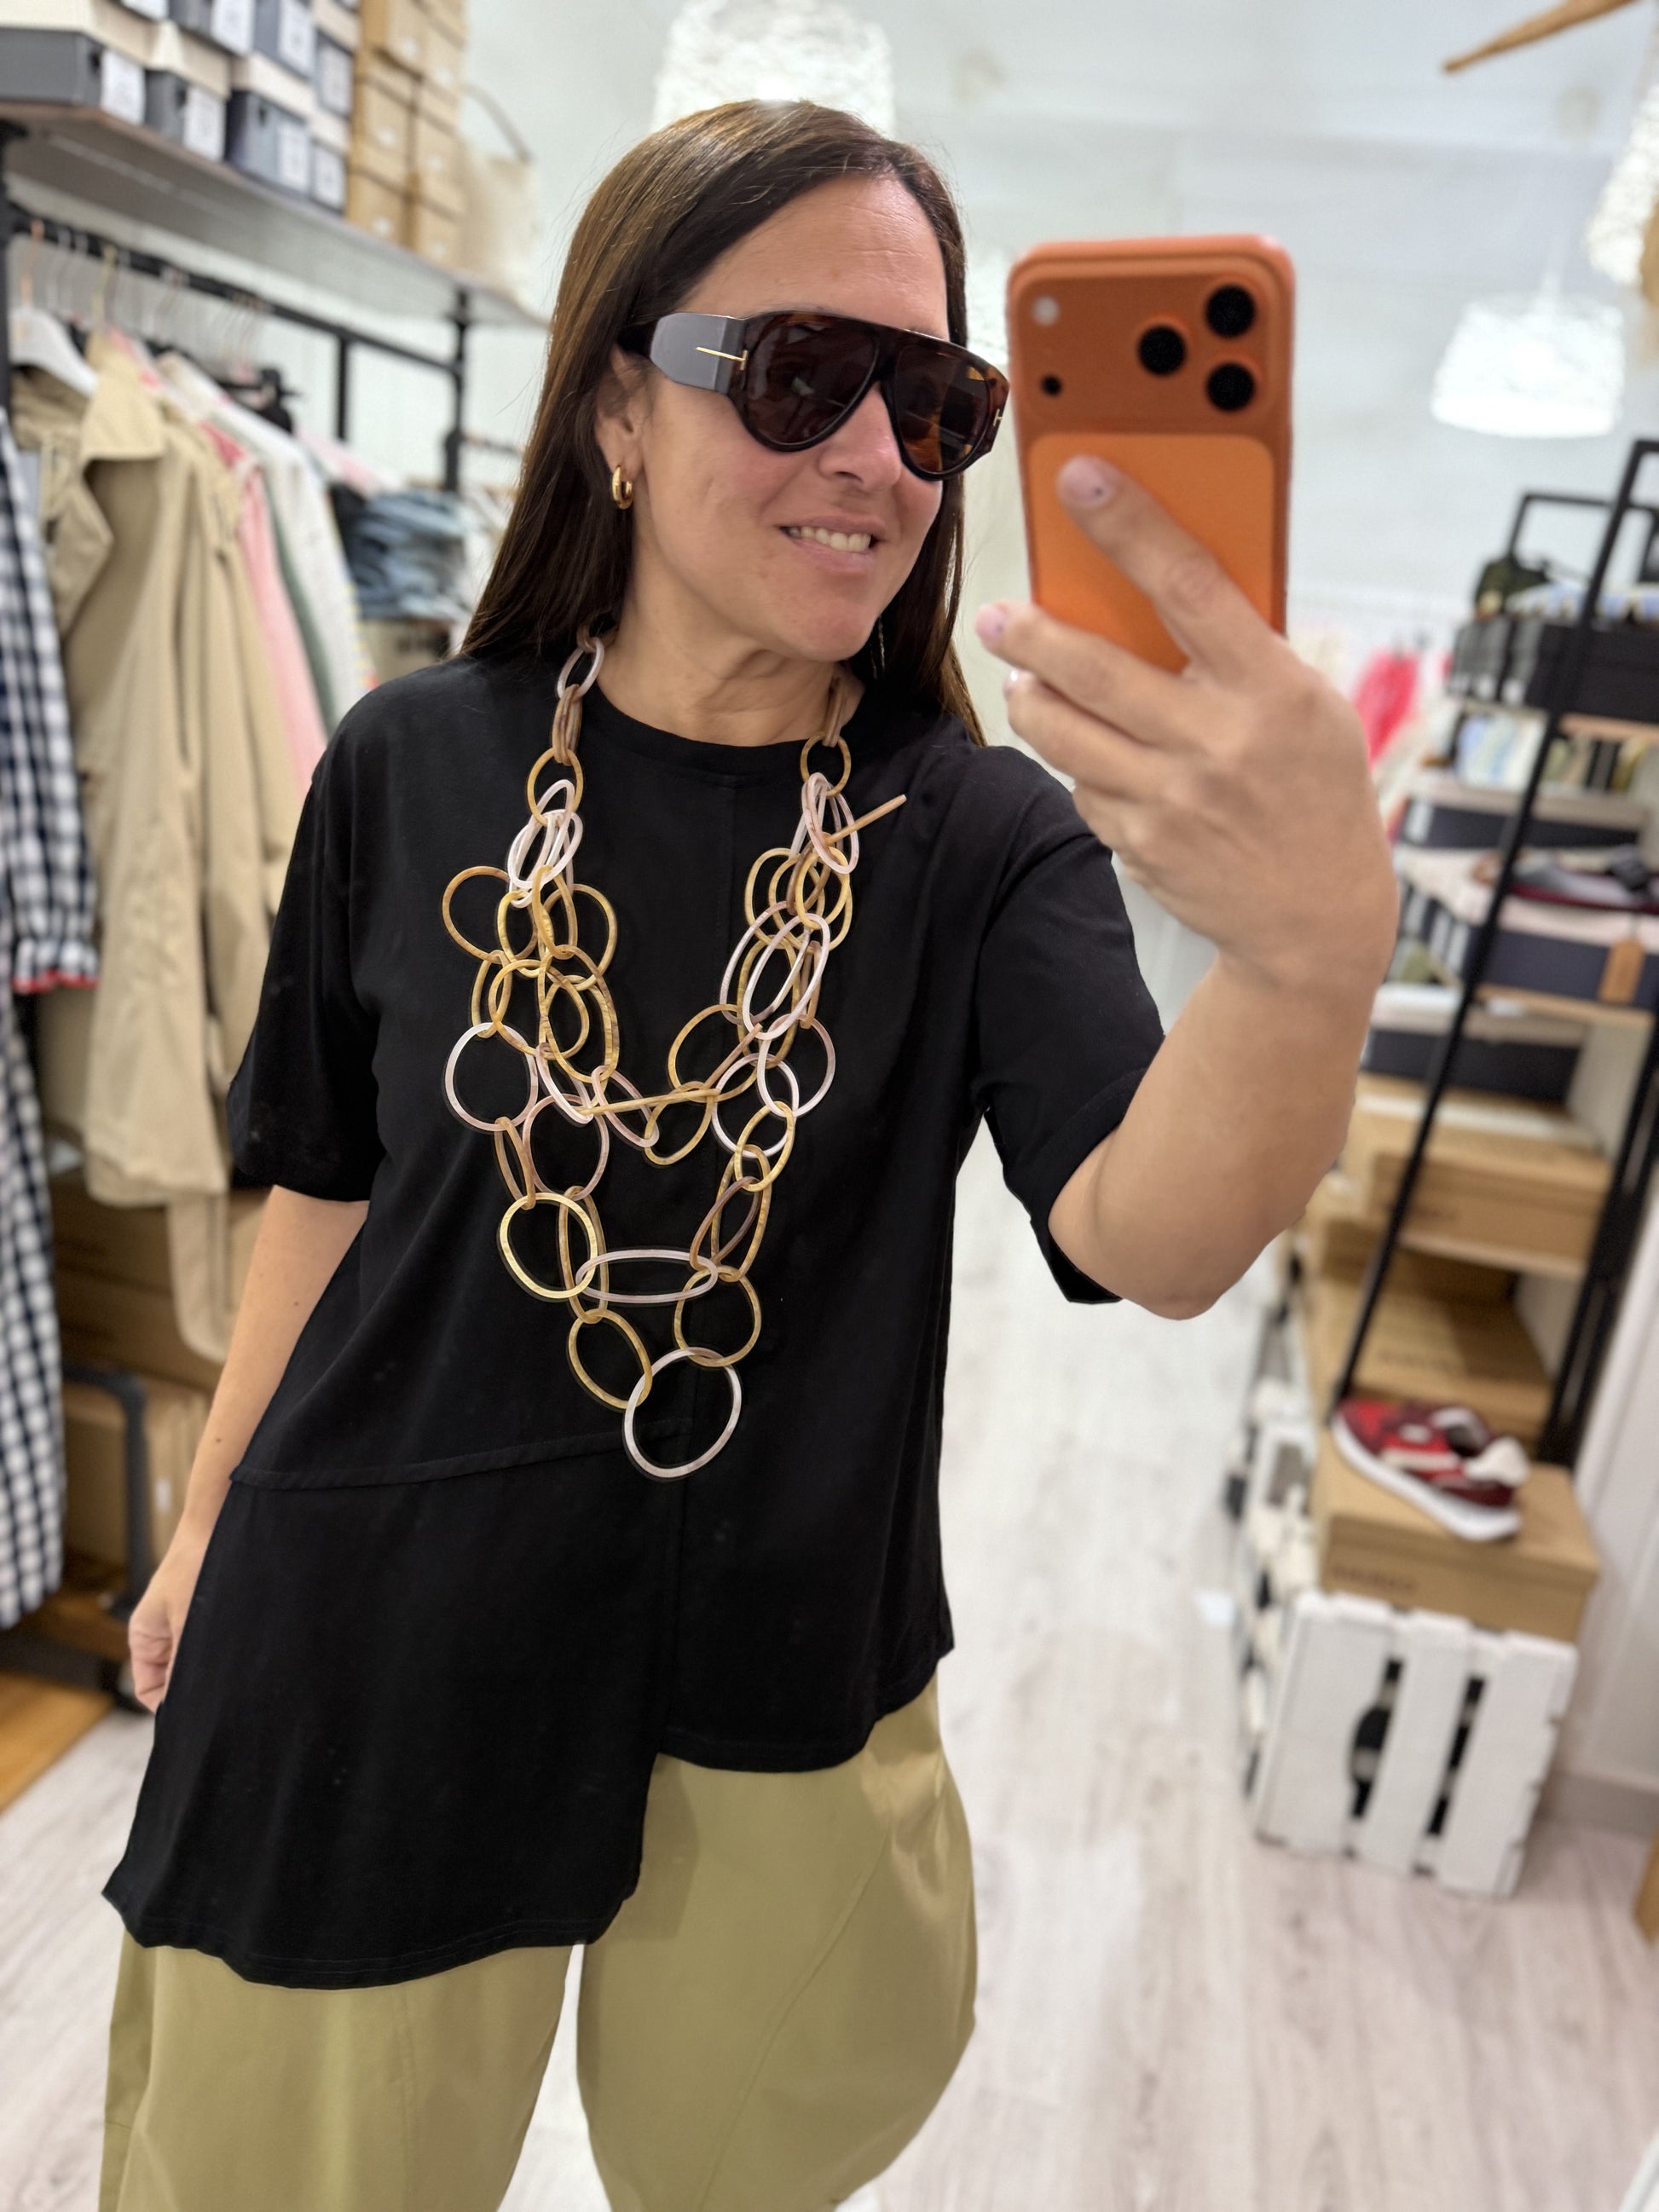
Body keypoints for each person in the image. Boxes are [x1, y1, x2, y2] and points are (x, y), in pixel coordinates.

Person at [97, 98, 1396, 2212]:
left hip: (770, 1671)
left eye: (933, 401)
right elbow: (325, 1181)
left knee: (744, 2174)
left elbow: (1149, 1235)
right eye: (800, 375)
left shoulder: (974, 833)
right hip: (377, 1631)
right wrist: (210, 1513)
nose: (877, 454)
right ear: (615, 404)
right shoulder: (411, 762)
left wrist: (1309, 958)